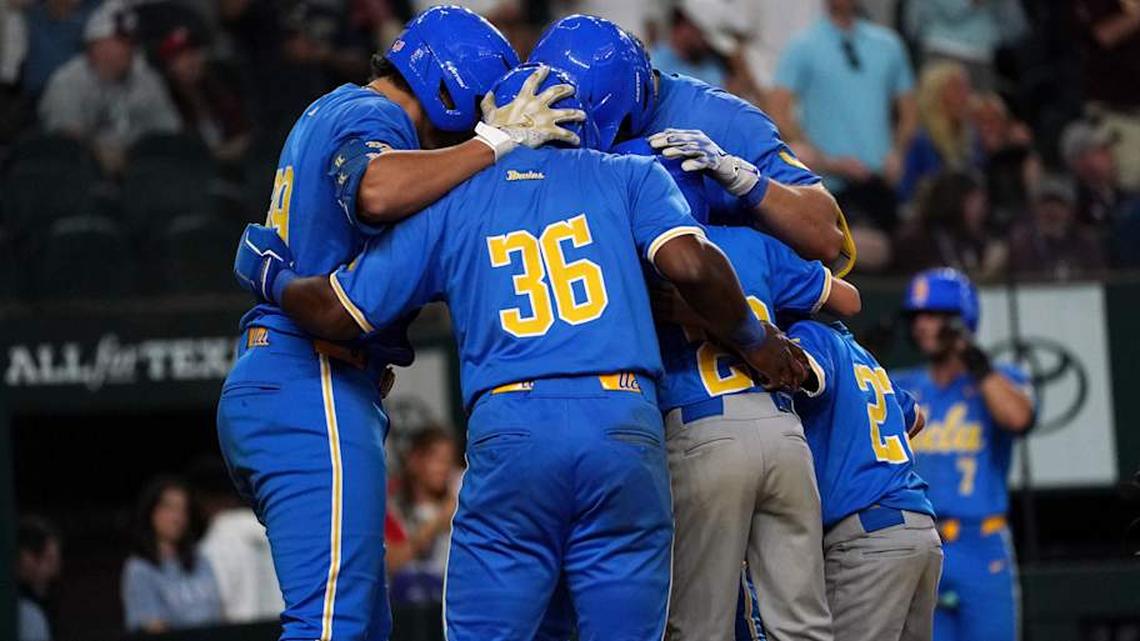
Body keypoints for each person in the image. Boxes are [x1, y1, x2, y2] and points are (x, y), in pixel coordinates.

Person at [233, 62, 809, 641]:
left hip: (513, 427)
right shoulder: (629, 175)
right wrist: (756, 341)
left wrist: (273, 276)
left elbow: (336, 309)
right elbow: (692, 265)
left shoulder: (455, 198)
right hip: (623, 422)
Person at [216, 6, 583, 641]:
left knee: (356, 626)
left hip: (296, 378)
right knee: (331, 626)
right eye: (476, 110)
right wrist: (490, 145)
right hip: (313, 375)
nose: (478, 123)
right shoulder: (374, 114)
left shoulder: (329, 109)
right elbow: (377, 189)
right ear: (448, 86)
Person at [648, 224, 861, 641]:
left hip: (703, 427)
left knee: (699, 627)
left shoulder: (645, 241)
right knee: (804, 626)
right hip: (783, 431)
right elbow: (848, 298)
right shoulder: (750, 240)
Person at [528, 14, 851, 276]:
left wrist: (745, 179)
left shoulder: (727, 121)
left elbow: (826, 240)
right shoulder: (535, 110)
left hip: (728, 322)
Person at [894, 268, 1035, 641]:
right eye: (917, 316)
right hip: (921, 542)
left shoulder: (998, 378)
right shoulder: (904, 384)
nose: (922, 325)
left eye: (933, 315)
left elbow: (1019, 418)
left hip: (981, 542)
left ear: (959, 320)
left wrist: (976, 363)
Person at [784, 318, 942, 641]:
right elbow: (916, 418)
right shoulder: (860, 353)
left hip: (869, 534)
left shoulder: (808, 333)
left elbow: (797, 368)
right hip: (920, 528)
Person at [769, 0, 918, 268]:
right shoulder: (803, 46)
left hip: (881, 185)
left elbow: (909, 110)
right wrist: (823, 159)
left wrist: (898, 151)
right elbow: (778, 109)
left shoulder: (889, 45)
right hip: (829, 189)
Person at [38, 0, 180, 174]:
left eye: (130, 42)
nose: (128, 50)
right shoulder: (67, 81)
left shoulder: (146, 79)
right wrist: (98, 152)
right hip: (79, 175)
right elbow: (65, 137)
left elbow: (168, 132)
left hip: (142, 173)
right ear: (94, 45)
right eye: (119, 42)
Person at [121, 476, 223, 634]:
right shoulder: (140, 569)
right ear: (152, 512)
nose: (177, 518)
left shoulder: (200, 560)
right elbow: (151, 626)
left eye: (183, 510)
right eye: (169, 508)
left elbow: (218, 613)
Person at [190, 457, 283, 624]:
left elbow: (215, 606)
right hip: (284, 629)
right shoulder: (274, 530)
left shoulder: (213, 545)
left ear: (199, 499)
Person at [388, 427, 460, 606]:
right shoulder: (392, 507)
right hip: (408, 610)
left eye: (449, 461)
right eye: (437, 460)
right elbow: (392, 562)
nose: (445, 469)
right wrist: (437, 523)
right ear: (415, 461)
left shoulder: (460, 499)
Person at [893, 171, 1007, 281]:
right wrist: (987, 273)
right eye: (973, 204)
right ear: (954, 203)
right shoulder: (917, 240)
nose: (982, 212)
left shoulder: (976, 240)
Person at [898, 61, 980, 203]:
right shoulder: (920, 141)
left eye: (967, 88)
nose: (965, 96)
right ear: (935, 95)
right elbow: (905, 193)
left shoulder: (972, 139)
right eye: (957, 89)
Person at [1008, 175, 1108, 280]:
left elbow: (1101, 282)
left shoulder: (1086, 244)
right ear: (1034, 207)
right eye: (1045, 202)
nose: (1051, 209)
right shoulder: (1021, 246)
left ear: (1071, 209)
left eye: (1059, 203)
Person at [16, 516, 62, 641]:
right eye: (49, 559)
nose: (55, 570)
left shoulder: (49, 598)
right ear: (27, 559)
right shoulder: (24, 612)